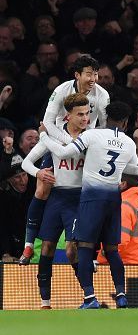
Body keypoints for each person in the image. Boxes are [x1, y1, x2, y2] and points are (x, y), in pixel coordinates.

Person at [39, 101, 138, 309]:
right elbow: (130, 168)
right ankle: (121, 294)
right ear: (125, 122)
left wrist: (44, 135)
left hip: (92, 198)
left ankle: (90, 298)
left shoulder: (92, 135)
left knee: (86, 247)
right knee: (112, 249)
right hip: (114, 199)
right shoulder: (128, 143)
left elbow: (63, 153)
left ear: (106, 118)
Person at [19, 55, 110, 265]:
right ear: (77, 75)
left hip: (86, 146)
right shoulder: (61, 91)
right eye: (89, 73)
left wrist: (87, 144)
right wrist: (69, 142)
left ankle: (92, 252)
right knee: (42, 188)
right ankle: (29, 244)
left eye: (96, 74)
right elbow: (47, 123)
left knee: (98, 192)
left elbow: (102, 127)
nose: (93, 78)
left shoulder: (102, 95)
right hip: (58, 142)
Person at [22, 93, 89, 309]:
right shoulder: (53, 141)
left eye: (87, 114)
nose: (85, 119)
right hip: (57, 197)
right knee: (48, 247)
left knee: (72, 250)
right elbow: (26, 163)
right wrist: (38, 174)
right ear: (67, 116)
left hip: (79, 197)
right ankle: (45, 303)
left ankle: (90, 296)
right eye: (80, 114)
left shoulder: (90, 138)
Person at [97, 174, 138, 265]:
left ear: (123, 184)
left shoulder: (122, 205)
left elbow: (119, 241)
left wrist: (103, 254)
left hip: (124, 264)